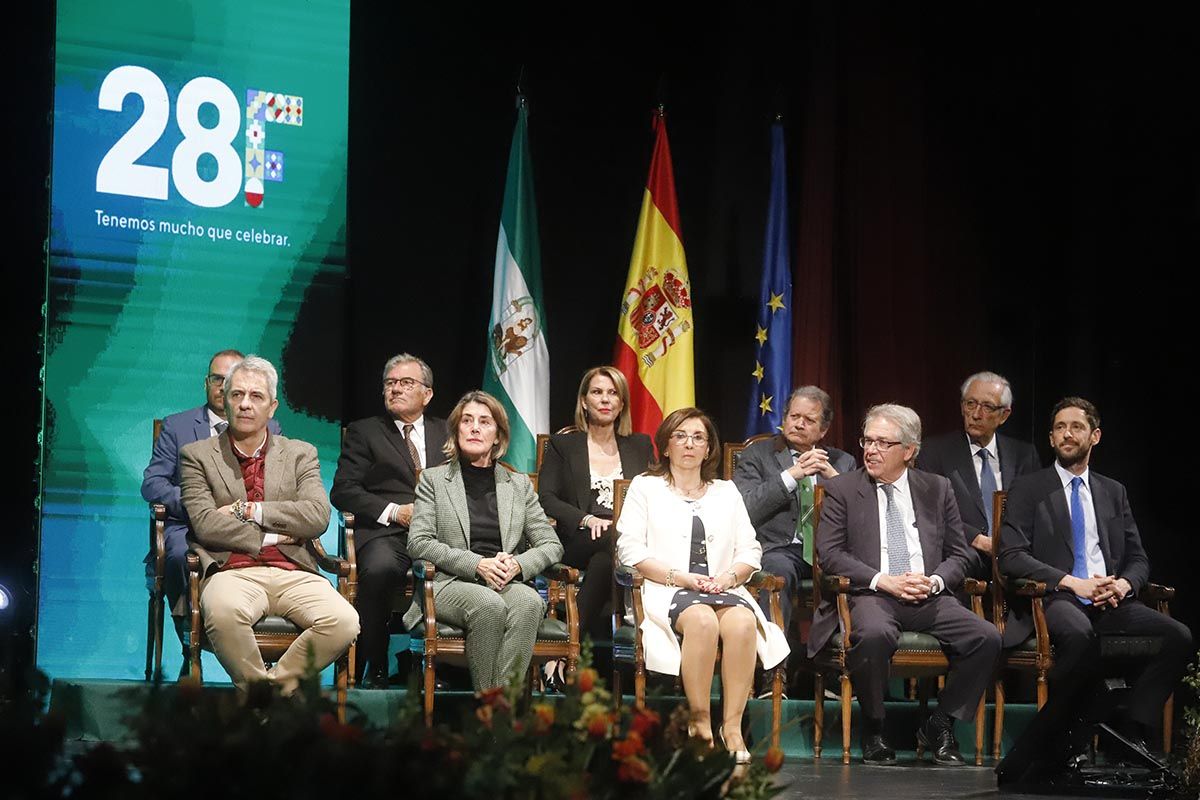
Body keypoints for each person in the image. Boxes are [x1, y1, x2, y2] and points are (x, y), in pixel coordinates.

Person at [998, 397, 1192, 759]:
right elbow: (1011, 557)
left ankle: (1131, 731)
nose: (1066, 434)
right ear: (1051, 438)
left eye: (1076, 427)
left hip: (1111, 598)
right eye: (1059, 427)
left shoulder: (1112, 491)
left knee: (1177, 637)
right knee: (1078, 634)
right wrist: (1073, 582)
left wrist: (1123, 584)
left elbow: (1137, 557)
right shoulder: (1028, 488)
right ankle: (1069, 738)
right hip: (1058, 597)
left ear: (1095, 436)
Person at [809, 404, 1000, 766]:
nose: (870, 450)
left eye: (883, 442)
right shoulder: (843, 489)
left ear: (909, 451)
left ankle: (940, 723)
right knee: (875, 633)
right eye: (867, 440)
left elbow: (961, 554)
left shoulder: (937, 488)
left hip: (928, 595)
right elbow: (829, 554)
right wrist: (885, 581)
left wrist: (935, 580)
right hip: (872, 593)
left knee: (986, 637)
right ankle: (875, 727)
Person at [617, 407, 789, 764]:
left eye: (698, 437)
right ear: (665, 446)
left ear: (709, 448)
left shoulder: (726, 492)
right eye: (680, 436)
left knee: (742, 624)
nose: (689, 444)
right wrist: (679, 577)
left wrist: (730, 577)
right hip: (668, 586)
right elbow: (629, 548)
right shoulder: (645, 488)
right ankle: (701, 727)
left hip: (723, 587)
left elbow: (749, 548)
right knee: (702, 621)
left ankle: (732, 727)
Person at [179, 356, 358, 693]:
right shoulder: (197, 455)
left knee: (344, 621)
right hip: (231, 570)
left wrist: (249, 510)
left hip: (294, 569)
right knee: (223, 611)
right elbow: (204, 524)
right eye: (237, 395)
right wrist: (272, 535)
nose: (245, 404)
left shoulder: (300, 453)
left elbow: (317, 515)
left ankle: (267, 695)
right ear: (225, 399)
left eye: (256, 396)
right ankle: (266, 701)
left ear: (272, 407)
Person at [403, 390, 563, 692]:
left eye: (484, 422)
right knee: (487, 604)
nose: (475, 428)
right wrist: (477, 564)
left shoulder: (517, 485)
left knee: (529, 601)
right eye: (467, 420)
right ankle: (492, 708)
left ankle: (502, 709)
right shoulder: (434, 480)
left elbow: (551, 544)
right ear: (456, 430)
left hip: (505, 581)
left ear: (498, 435)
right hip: (449, 582)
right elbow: (419, 542)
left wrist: (517, 564)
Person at [141, 348, 281, 669]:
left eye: (230, 380)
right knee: (178, 556)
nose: (223, 386)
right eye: (217, 379)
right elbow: (153, 484)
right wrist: (197, 505)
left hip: (244, 525)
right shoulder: (177, 427)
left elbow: (279, 484)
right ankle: (190, 651)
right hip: (188, 528)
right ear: (206, 383)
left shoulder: (270, 429)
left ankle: (264, 661)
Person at [331, 353, 449, 687]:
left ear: (427, 394)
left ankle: (435, 664)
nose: (395, 389)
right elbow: (343, 491)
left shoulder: (449, 431)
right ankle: (376, 662)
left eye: (406, 383)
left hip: (441, 534)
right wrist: (395, 511)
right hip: (387, 532)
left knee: (459, 568)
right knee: (379, 569)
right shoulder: (365, 432)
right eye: (390, 383)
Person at [537, 367, 653, 651]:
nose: (605, 399)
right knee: (610, 541)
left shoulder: (639, 445)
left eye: (613, 393)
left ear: (622, 403)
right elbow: (546, 497)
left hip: (622, 542)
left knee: (605, 559)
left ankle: (566, 649)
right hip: (578, 539)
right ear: (584, 401)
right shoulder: (564, 445)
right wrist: (586, 519)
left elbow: (654, 492)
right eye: (597, 392)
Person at [732, 385, 856, 631]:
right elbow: (745, 508)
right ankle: (773, 663)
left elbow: (860, 517)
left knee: (860, 574)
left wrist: (834, 479)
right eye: (794, 417)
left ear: (823, 430)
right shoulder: (757, 454)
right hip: (779, 549)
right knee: (778, 571)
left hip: (828, 551)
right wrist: (791, 475)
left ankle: (842, 657)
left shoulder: (843, 461)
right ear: (784, 418)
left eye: (809, 420)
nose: (799, 424)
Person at [918, 371, 1040, 578]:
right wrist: (977, 539)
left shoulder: (1024, 455)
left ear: (1004, 415)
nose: (976, 414)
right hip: (962, 559)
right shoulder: (933, 452)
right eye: (970, 404)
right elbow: (929, 512)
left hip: (1015, 562)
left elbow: (1033, 511)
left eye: (987, 407)